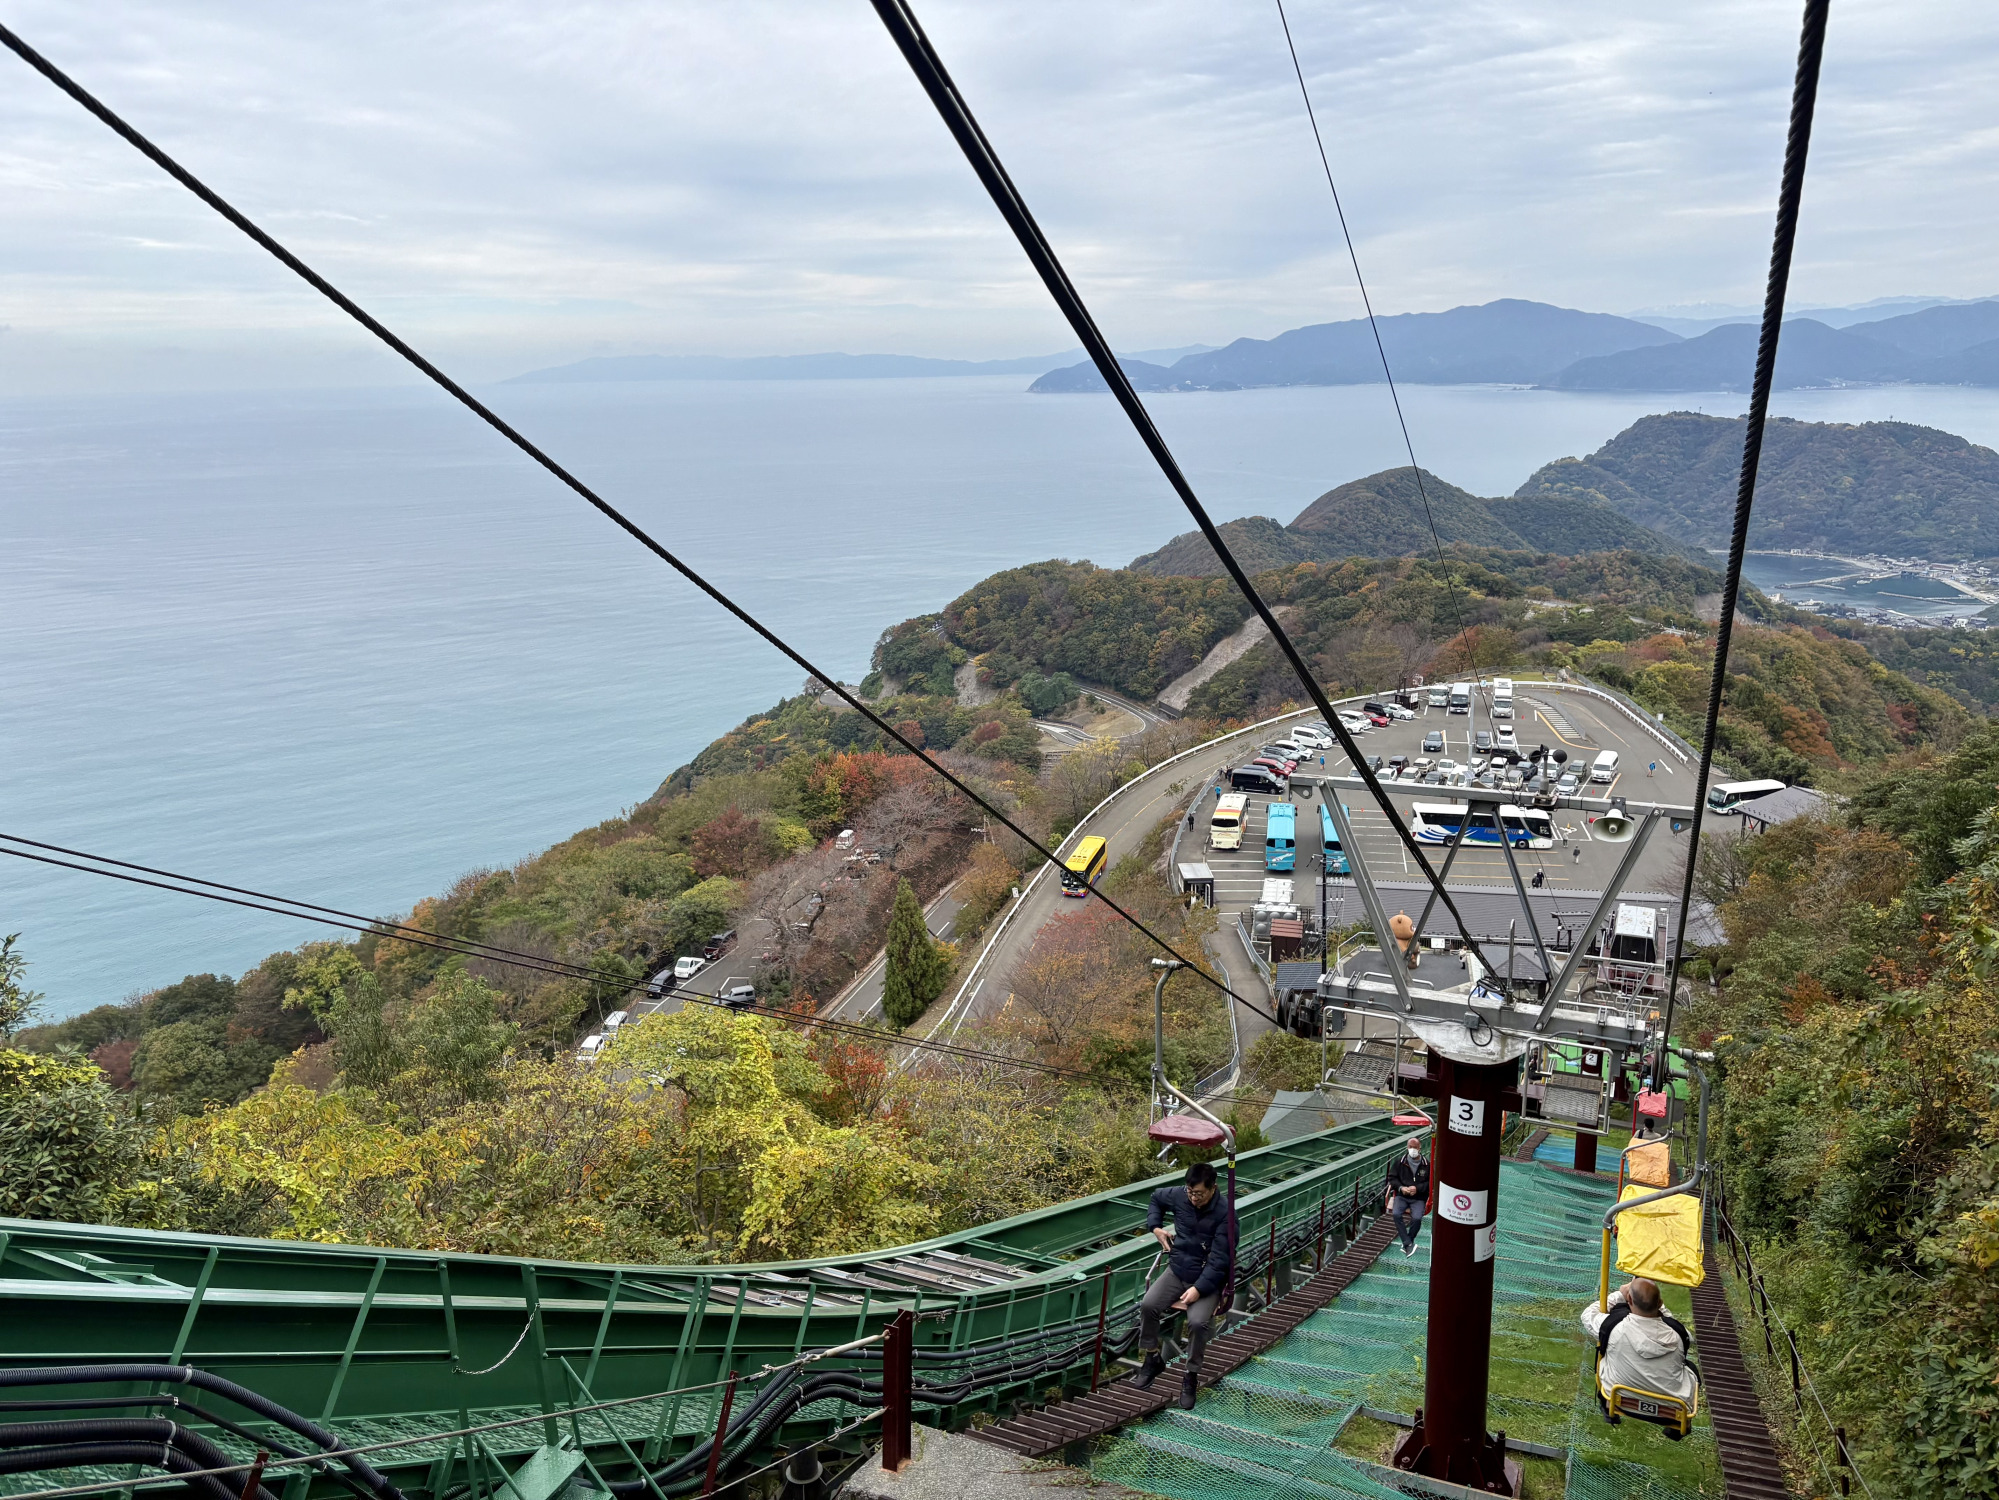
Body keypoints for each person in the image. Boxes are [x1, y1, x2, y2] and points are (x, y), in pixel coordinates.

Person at [1132, 1162, 1232, 1410]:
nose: (1194, 1198)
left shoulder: (1225, 1214)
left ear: (1213, 1188)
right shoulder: (1179, 1195)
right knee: (1148, 1305)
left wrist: (1199, 1289)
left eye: (1199, 1194)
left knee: (1197, 1323)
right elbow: (1156, 1198)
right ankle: (1152, 1357)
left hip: (1207, 1279)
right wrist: (1155, 1227)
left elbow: (1222, 1258)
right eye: (1190, 1192)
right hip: (1178, 1269)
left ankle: (1191, 1375)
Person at [1580, 1278, 1696, 1405]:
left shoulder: (1615, 1328)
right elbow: (1686, 1337)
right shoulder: (1678, 1334)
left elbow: (1588, 1315)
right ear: (1660, 1303)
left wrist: (1620, 1295)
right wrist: (1661, 1309)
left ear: (1629, 1299)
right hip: (1671, 1406)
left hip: (1619, 1400)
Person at [1384, 1136, 1429, 1256]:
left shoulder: (1426, 1165)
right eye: (1410, 1147)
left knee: (1417, 1218)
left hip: (1418, 1198)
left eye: (1415, 1147)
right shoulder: (1400, 1162)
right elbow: (1392, 1178)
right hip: (1402, 1196)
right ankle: (1408, 1244)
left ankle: (1407, 1243)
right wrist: (1401, 1188)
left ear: (1419, 1148)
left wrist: (1417, 1188)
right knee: (1396, 1214)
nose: (1412, 1150)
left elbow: (1430, 1183)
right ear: (1407, 1147)